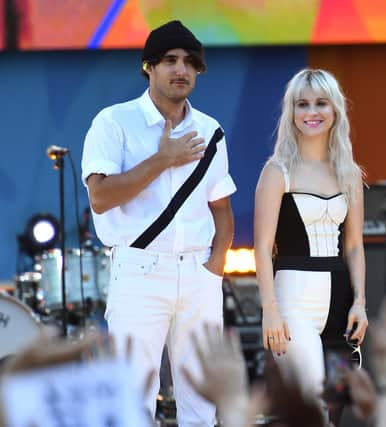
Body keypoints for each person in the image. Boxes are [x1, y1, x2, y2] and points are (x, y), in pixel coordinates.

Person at [81, 20, 235, 426]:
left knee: (203, 405)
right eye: (169, 60)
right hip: (138, 271)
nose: (180, 69)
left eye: (189, 62)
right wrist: (162, 159)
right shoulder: (114, 122)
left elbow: (221, 207)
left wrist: (214, 267)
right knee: (132, 403)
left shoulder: (210, 131)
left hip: (199, 273)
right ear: (148, 66)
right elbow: (99, 198)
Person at [253, 68, 368, 424]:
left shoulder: (348, 172)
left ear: (335, 110)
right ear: (291, 112)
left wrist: (360, 302)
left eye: (321, 103)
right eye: (302, 104)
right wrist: (270, 310)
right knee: (310, 405)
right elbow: (261, 247)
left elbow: (354, 245)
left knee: (335, 403)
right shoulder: (277, 171)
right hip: (292, 301)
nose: (312, 112)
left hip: (339, 305)